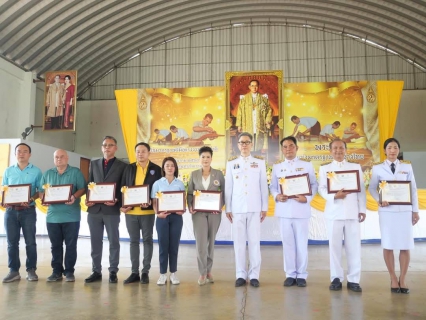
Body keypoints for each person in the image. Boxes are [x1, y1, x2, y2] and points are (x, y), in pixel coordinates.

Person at [368, 138, 419, 294]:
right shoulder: (377, 168)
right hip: (387, 212)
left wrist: (415, 210)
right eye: (389, 147)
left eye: (395, 147)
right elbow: (371, 189)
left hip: (404, 211)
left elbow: (413, 189)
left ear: (398, 150)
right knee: (388, 244)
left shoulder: (407, 166)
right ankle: (392, 278)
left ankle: (402, 278)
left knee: (405, 245)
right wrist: (379, 200)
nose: (392, 150)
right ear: (384, 150)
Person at [318, 139, 366, 292]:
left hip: (352, 213)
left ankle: (354, 280)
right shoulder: (325, 168)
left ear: (346, 150)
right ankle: (336, 278)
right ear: (330, 151)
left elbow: (361, 191)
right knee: (334, 248)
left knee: (354, 248)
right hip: (334, 212)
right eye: (335, 148)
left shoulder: (355, 167)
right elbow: (321, 188)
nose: (338, 151)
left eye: (341, 148)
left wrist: (362, 209)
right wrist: (334, 196)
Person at [269, 136, 318, 287]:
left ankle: (302, 275)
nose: (288, 149)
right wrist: (277, 196)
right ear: (282, 150)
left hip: (301, 209)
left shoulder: (307, 165)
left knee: (302, 244)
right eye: (285, 147)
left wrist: (307, 198)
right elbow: (273, 186)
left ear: (296, 148)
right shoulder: (277, 167)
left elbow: (314, 185)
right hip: (284, 210)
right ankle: (290, 274)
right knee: (288, 244)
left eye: (291, 146)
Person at [225, 132, 269, 287]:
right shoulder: (231, 163)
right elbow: (228, 187)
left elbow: (264, 186)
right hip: (237, 208)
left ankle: (255, 275)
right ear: (238, 145)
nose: (244, 145)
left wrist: (264, 207)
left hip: (254, 207)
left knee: (255, 242)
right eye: (241, 142)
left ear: (252, 144)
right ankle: (240, 274)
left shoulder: (259, 162)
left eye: (247, 142)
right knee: (238, 243)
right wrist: (228, 208)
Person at [85, 136, 127, 283]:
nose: (107, 147)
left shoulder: (123, 166)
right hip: (94, 210)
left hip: (112, 210)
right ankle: (96, 271)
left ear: (116, 148)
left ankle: (113, 271)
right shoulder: (94, 163)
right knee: (95, 242)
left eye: (110, 145)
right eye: (105, 145)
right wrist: (88, 199)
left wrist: (117, 200)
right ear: (101, 148)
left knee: (113, 242)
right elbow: (90, 184)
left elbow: (124, 188)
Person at [39, 149, 86, 282]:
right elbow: (41, 191)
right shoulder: (48, 173)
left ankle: (69, 271)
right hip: (53, 217)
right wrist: (44, 199)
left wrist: (74, 196)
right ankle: (56, 271)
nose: (59, 159)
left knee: (71, 245)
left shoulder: (75, 172)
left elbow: (83, 188)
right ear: (54, 159)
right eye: (56, 157)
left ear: (67, 158)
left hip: (71, 216)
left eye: (61, 157)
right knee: (55, 245)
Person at [120, 142, 162, 284]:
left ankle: (145, 272)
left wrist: (151, 201)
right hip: (130, 212)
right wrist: (123, 205)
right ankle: (134, 272)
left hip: (148, 212)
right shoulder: (129, 168)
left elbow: (159, 191)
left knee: (148, 240)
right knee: (133, 241)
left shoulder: (156, 169)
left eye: (143, 151)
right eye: (138, 151)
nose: (140, 154)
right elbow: (123, 187)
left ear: (149, 153)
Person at [2, 143, 42, 283]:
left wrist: (31, 198)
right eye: (19, 151)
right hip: (10, 212)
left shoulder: (36, 171)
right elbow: (4, 190)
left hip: (28, 211)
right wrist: (4, 200)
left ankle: (31, 270)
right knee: (11, 243)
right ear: (15, 154)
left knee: (30, 242)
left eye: (25, 151)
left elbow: (40, 191)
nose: (22, 154)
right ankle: (13, 271)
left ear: (29, 154)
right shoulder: (8, 171)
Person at [187, 146, 225, 285]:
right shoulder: (194, 174)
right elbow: (190, 193)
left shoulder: (218, 174)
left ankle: (209, 270)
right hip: (198, 214)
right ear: (199, 159)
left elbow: (224, 192)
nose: (205, 159)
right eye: (203, 157)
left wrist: (219, 206)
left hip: (214, 214)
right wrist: (190, 206)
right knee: (201, 244)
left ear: (211, 159)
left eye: (208, 157)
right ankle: (202, 273)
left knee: (211, 243)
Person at [151, 157, 186, 285]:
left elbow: (183, 201)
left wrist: (182, 210)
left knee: (174, 245)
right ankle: (162, 274)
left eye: (172, 165)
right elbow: (154, 202)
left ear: (175, 168)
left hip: (176, 218)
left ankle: (173, 273)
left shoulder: (180, 183)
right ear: (163, 168)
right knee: (163, 245)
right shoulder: (157, 183)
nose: (170, 168)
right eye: (167, 165)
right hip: (162, 218)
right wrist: (157, 213)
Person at [236, 80, 272, 151]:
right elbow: (239, 112)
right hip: (248, 124)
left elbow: (269, 110)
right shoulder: (244, 99)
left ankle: (258, 156)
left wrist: (267, 121)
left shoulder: (263, 99)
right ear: (249, 87)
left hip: (260, 124)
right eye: (252, 86)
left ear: (258, 87)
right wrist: (239, 125)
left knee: (259, 143)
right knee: (248, 141)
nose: (254, 87)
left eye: (256, 86)